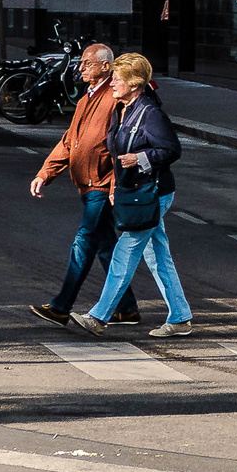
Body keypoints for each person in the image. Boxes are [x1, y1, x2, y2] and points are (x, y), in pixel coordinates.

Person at [70, 53, 193, 338]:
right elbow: (115, 153)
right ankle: (180, 317)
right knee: (158, 256)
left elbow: (172, 150)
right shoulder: (121, 109)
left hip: (152, 194)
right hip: (134, 192)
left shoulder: (149, 113)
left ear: (135, 84)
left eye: (117, 78)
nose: (111, 82)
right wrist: (115, 183)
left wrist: (140, 158)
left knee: (124, 252)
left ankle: (98, 317)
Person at [29, 44, 140, 329]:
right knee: (104, 246)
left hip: (101, 185)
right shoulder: (85, 99)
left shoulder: (114, 98)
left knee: (83, 242)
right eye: (81, 63)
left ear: (105, 66)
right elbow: (70, 141)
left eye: (87, 64)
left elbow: (123, 144)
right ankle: (126, 309)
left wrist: (116, 183)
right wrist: (46, 173)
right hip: (87, 184)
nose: (81, 68)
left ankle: (60, 306)